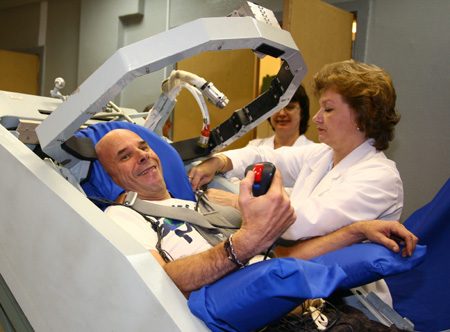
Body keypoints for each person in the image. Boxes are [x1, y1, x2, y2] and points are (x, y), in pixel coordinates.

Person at [95, 128, 417, 298]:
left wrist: (357, 231)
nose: (142, 156)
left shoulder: (205, 205)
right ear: (111, 177)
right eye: (125, 156)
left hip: (296, 304)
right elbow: (161, 281)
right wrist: (244, 242)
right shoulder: (123, 218)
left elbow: (285, 256)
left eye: (144, 147)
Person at [188, 60, 403, 241]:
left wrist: (236, 203)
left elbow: (302, 224)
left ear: (362, 115)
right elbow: (264, 155)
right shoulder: (323, 155)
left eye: (328, 109)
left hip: (341, 289)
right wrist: (219, 161)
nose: (317, 117)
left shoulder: (379, 177)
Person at [248, 84, 314, 149]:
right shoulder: (254, 147)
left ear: (302, 113)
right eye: (276, 108)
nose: (282, 113)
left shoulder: (314, 152)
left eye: (290, 107)